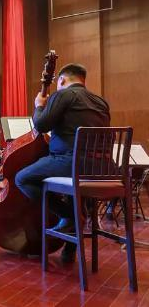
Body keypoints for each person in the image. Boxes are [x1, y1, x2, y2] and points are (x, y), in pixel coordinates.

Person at [14, 63, 110, 262]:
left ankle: (70, 216)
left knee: (22, 178)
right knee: (73, 192)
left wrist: (39, 105)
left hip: (70, 162)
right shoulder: (101, 102)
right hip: (102, 167)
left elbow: (41, 125)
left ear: (62, 80)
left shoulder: (63, 95)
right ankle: (71, 243)